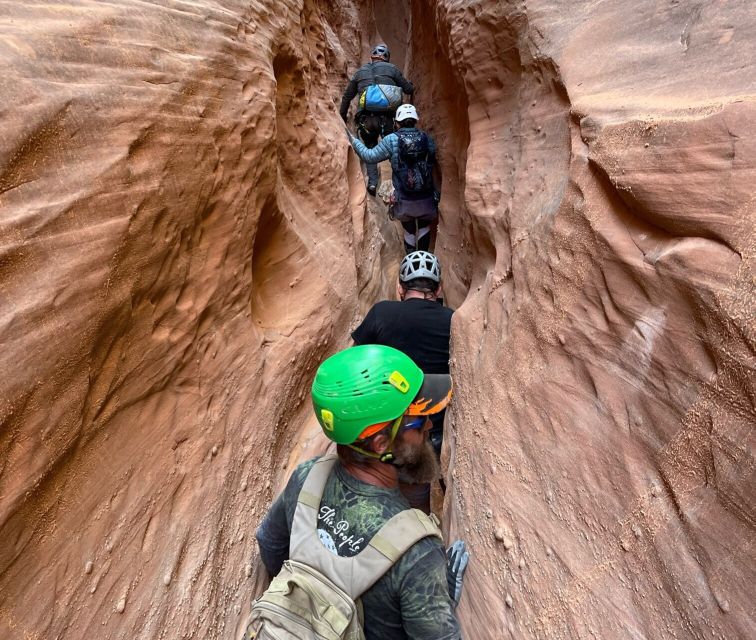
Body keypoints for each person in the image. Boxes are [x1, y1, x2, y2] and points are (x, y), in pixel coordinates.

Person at [255, 345, 466, 639]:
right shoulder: (418, 553)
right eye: (417, 421)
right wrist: (437, 601)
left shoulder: (306, 477)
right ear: (381, 444)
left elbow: (269, 545)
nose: (429, 424)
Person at [352, 251, 452, 513]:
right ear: (439, 289)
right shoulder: (452, 321)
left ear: (400, 288)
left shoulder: (381, 313)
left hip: (384, 427)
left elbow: (355, 364)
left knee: (378, 490)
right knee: (416, 499)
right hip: (431, 428)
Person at [347, 104, 438, 253]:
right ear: (415, 120)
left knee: (409, 230)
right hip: (426, 199)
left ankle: (411, 262)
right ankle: (424, 263)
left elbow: (369, 156)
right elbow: (431, 160)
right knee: (424, 227)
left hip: (404, 201)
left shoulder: (391, 140)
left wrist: (354, 140)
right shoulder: (426, 138)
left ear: (397, 122)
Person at [340, 43, 415, 196]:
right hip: (387, 120)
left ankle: (373, 183)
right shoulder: (392, 69)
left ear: (372, 57)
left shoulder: (360, 73)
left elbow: (347, 97)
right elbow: (408, 89)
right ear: (386, 58)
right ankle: (401, 183)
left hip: (366, 120)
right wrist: (411, 86)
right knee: (395, 150)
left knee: (370, 148)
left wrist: (341, 118)